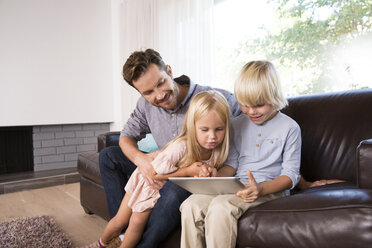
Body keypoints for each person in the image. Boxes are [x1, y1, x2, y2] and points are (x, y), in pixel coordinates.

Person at [98, 49, 241, 247]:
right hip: (160, 168)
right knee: (108, 156)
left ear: (170, 71)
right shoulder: (145, 106)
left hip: (188, 174)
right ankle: (123, 234)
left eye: (160, 83)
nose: (159, 95)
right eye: (148, 92)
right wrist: (142, 160)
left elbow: (257, 114)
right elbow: (125, 138)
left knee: (175, 186)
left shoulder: (214, 99)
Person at [85, 91, 231, 248]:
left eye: (219, 129)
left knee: (136, 224)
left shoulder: (217, 151)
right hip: (147, 183)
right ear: (192, 126)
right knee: (119, 221)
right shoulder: (181, 146)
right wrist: (188, 171)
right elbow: (153, 173)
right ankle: (100, 244)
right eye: (205, 130)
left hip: (159, 190)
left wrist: (211, 173)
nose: (212, 137)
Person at [180, 60, 302, 248]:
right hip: (236, 185)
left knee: (221, 207)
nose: (251, 112)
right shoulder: (236, 124)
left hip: (269, 189)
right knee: (191, 205)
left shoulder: (290, 128)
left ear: (274, 96)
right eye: (244, 105)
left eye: (259, 105)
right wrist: (215, 177)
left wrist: (261, 189)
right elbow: (231, 165)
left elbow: (290, 175)